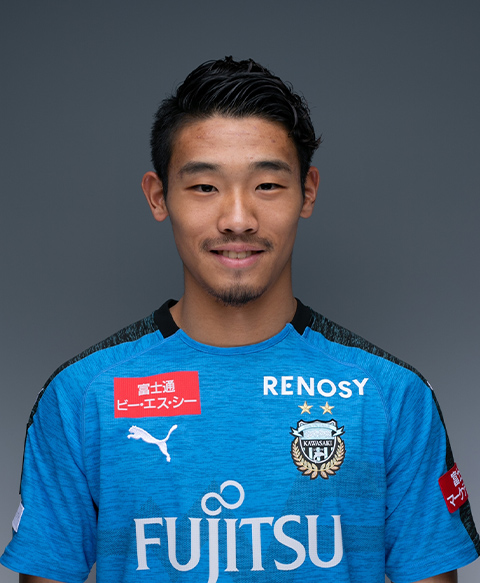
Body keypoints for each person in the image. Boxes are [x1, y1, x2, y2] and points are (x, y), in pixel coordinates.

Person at [1, 57, 478, 583]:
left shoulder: (392, 396)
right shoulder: (82, 396)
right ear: (159, 197)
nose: (237, 219)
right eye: (204, 187)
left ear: (308, 192)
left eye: (267, 185)